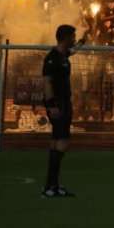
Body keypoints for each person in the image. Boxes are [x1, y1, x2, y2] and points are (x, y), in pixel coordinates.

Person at [42, 24, 79, 198]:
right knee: (62, 142)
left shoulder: (63, 55)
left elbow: (73, 50)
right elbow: (47, 82)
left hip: (63, 102)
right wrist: (51, 105)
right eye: (73, 36)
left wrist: (85, 40)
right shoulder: (52, 58)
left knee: (57, 141)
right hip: (58, 104)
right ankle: (51, 186)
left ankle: (53, 185)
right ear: (65, 37)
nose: (75, 39)